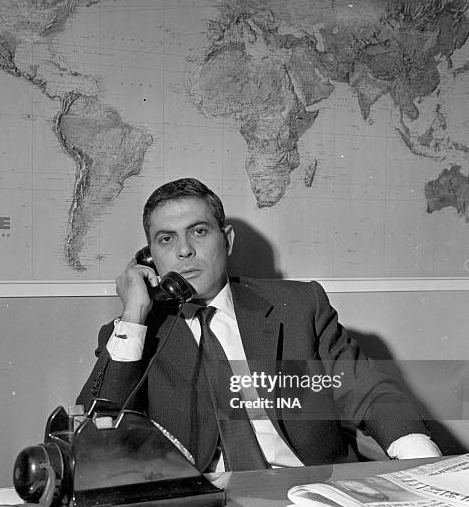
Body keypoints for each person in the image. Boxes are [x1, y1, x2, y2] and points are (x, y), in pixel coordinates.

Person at [77, 178, 441, 471]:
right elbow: (95, 438)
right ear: (150, 257)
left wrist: (422, 462)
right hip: (202, 506)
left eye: (199, 231)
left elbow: (368, 391)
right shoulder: (132, 333)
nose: (184, 250)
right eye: (166, 239)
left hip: (310, 487)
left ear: (228, 240)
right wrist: (135, 314)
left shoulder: (299, 306)